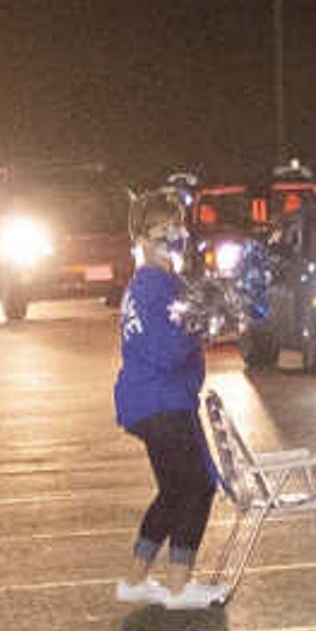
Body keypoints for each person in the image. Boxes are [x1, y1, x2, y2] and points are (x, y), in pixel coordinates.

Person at [108, 206, 230, 609]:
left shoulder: (152, 283)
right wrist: (200, 326)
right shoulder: (154, 285)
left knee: (174, 489)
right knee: (198, 485)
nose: (173, 235)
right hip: (162, 400)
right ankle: (180, 587)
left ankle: (135, 579)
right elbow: (167, 350)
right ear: (142, 238)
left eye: (176, 226)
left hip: (148, 399)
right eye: (162, 229)